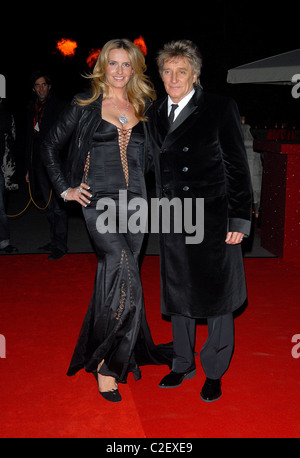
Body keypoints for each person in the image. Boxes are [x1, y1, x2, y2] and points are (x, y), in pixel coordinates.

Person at [41, 38, 172, 403]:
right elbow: (49, 146)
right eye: (112, 64)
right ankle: (106, 365)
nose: (118, 71)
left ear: (134, 69)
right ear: (102, 67)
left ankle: (120, 348)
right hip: (98, 201)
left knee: (115, 278)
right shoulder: (84, 105)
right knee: (120, 264)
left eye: (125, 64)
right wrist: (66, 188)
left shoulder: (144, 107)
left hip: (137, 205)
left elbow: (161, 157)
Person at [148, 40, 252, 402]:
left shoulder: (219, 108)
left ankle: (214, 369)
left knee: (218, 297)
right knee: (178, 294)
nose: (173, 77)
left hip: (212, 217)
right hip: (172, 218)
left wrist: (239, 219)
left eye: (181, 71)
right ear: (160, 74)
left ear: (195, 75)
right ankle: (182, 363)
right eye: (167, 70)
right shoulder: (154, 112)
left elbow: (237, 168)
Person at [25, 71, 68, 260]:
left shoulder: (59, 106)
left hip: (55, 164)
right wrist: (28, 168)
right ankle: (54, 240)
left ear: (49, 86)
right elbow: (28, 139)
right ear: (33, 88)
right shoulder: (31, 107)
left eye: (44, 84)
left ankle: (61, 245)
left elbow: (67, 138)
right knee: (49, 207)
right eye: (37, 85)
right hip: (38, 165)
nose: (41, 88)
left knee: (59, 207)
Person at [0, 97, 18, 254]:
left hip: (1, 167)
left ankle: (4, 242)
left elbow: (10, 140)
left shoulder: (4, 114)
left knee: (0, 207)